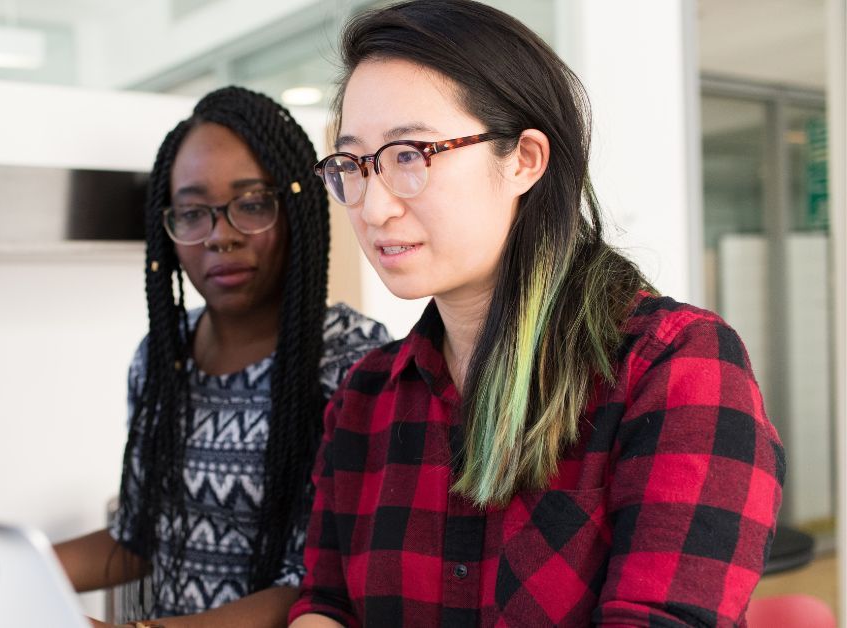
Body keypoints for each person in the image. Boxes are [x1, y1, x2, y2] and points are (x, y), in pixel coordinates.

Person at [289, 2, 785, 627]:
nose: (374, 207)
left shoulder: (673, 366)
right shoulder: (364, 398)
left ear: (524, 159)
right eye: (355, 164)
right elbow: (325, 603)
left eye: (409, 155)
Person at [53, 86, 390, 628]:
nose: (220, 236)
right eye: (192, 213)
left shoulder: (353, 365)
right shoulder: (162, 358)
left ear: (296, 208)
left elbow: (317, 585)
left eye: (252, 204)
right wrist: (10, 572)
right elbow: (138, 537)